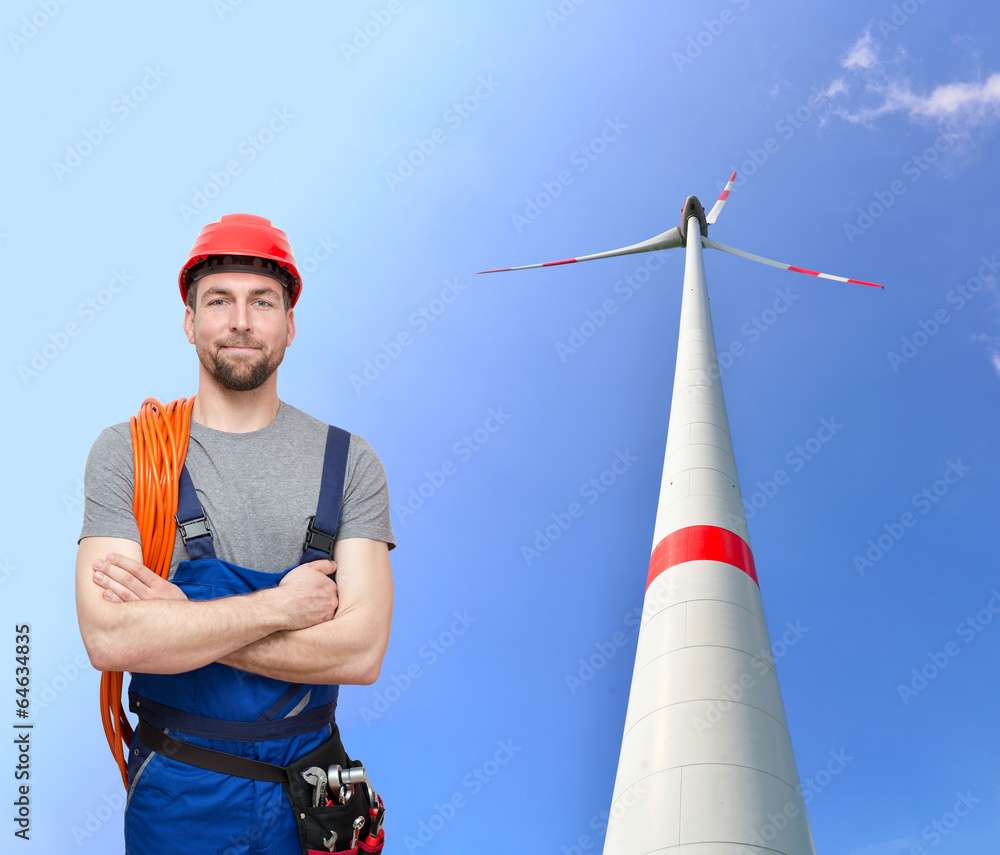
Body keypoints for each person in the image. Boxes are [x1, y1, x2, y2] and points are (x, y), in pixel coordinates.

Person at [74, 213, 394, 854]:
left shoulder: (349, 461)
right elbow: (111, 638)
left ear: (290, 324)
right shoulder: (129, 454)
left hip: (311, 795)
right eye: (219, 300)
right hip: (177, 794)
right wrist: (281, 609)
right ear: (190, 321)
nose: (241, 321)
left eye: (262, 302)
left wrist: (180, 621)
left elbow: (360, 654)